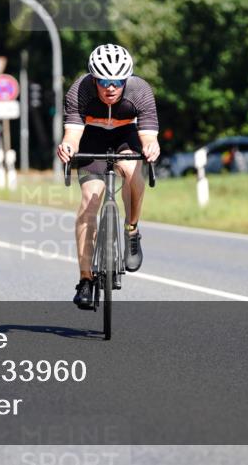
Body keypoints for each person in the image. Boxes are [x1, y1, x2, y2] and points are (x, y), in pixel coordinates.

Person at [55, 44, 161, 309]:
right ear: (94, 78)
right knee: (89, 202)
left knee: (134, 174)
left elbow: (148, 136)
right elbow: (73, 135)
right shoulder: (79, 91)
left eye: (117, 81)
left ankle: (132, 229)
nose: (110, 87)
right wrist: (67, 147)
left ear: (127, 80)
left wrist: (151, 147)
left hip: (126, 138)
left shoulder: (141, 91)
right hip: (91, 139)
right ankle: (86, 280)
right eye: (104, 81)